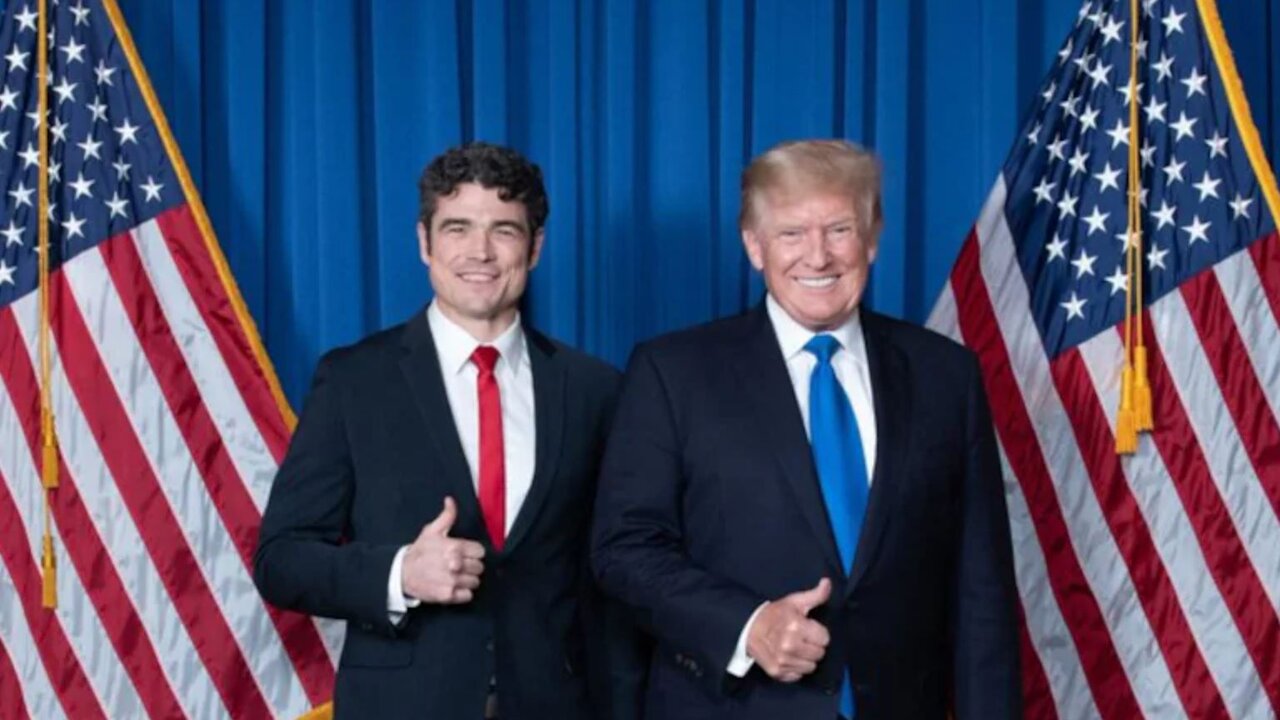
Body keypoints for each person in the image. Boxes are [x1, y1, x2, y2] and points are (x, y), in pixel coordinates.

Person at [591, 139, 1021, 719]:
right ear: (755, 246)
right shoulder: (672, 373)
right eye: (792, 233)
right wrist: (748, 626)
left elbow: (981, 589)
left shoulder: (946, 375)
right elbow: (624, 549)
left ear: (872, 238)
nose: (818, 257)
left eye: (839, 230)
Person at [255, 142, 644, 720]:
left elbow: (614, 579)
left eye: (504, 231)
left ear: (535, 247)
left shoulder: (595, 390)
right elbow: (281, 559)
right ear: (425, 242)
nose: (480, 252)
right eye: (457, 228)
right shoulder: (354, 380)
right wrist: (399, 573)